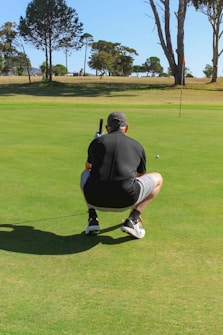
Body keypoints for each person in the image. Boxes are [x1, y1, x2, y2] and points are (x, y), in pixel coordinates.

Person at [80, 112, 163, 239]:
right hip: (126, 201)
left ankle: (92, 219)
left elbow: (88, 168)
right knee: (158, 178)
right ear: (127, 128)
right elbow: (140, 176)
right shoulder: (136, 145)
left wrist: (96, 142)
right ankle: (133, 219)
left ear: (107, 128)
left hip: (94, 199)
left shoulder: (97, 142)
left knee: (84, 174)